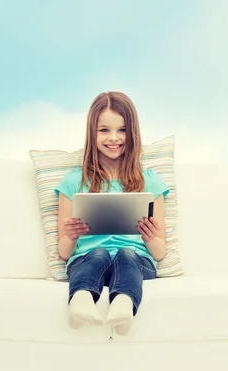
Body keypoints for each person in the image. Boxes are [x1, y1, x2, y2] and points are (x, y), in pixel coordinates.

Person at [54, 91, 169, 336]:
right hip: (88, 260)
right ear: (92, 133)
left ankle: (124, 306)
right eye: (104, 130)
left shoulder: (150, 181)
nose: (114, 138)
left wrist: (150, 238)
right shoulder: (74, 181)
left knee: (126, 254)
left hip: (137, 262)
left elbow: (160, 253)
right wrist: (71, 236)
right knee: (99, 252)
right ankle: (81, 301)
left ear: (133, 133)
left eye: (122, 130)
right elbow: (64, 252)